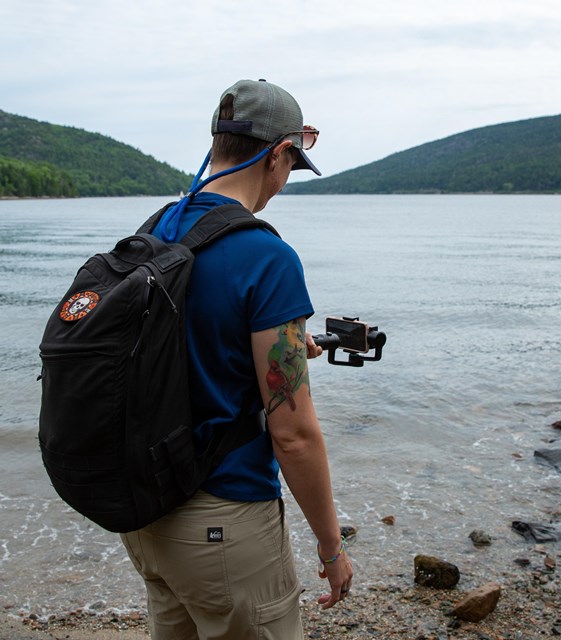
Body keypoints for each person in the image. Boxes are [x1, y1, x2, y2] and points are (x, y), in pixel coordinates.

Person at [120, 79, 353, 640]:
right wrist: (330, 545)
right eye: (292, 166)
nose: (284, 183)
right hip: (223, 526)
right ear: (277, 155)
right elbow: (293, 434)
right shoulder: (266, 256)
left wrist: (286, 347)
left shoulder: (157, 229)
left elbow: (184, 347)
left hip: (146, 516)